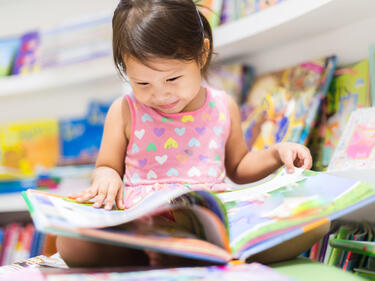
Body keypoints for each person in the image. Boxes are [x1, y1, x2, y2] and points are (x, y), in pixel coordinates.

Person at [57, 0, 329, 267]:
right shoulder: (125, 110)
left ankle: (188, 252)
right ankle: (165, 252)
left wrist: (276, 154)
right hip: (144, 224)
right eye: (142, 83)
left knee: (316, 222)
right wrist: (106, 177)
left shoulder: (223, 106)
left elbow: (238, 167)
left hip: (208, 222)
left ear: (202, 54)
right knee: (70, 245)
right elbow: (106, 166)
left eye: (172, 79)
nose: (160, 94)